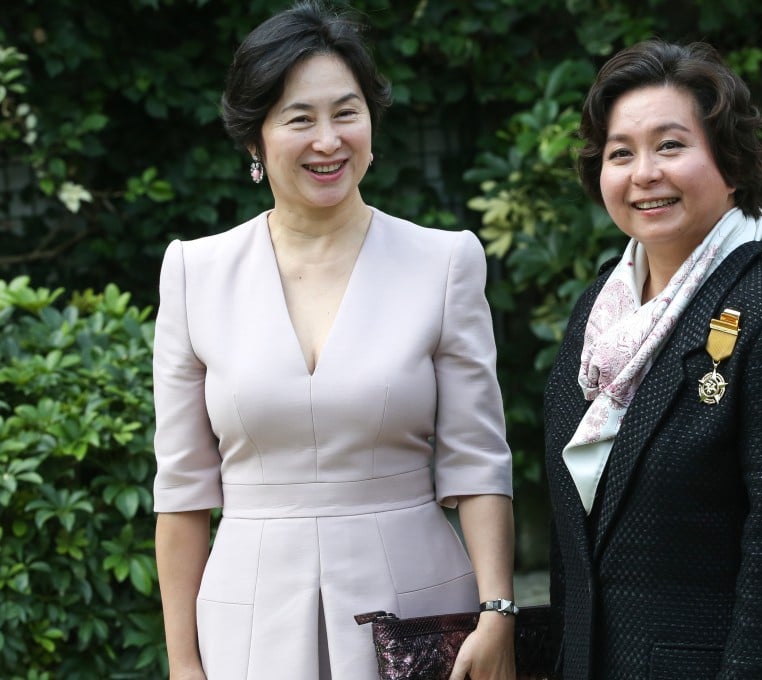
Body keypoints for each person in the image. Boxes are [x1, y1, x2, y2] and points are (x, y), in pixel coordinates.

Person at [152, 3, 517, 678]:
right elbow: (182, 492)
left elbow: (477, 460)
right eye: (299, 118)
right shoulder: (193, 273)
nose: (328, 140)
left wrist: (498, 610)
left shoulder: (444, 261)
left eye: (346, 112)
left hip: (417, 611)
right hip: (247, 617)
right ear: (255, 140)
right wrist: (182, 662)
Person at [544, 40, 762, 679]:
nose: (644, 173)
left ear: (732, 162)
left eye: (670, 145)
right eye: (620, 153)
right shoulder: (602, 310)